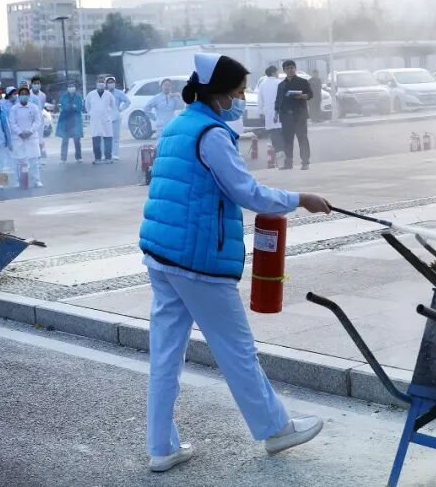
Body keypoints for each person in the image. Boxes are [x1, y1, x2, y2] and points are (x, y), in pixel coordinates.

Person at [139, 53, 332, 472]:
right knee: (237, 349)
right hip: (197, 260)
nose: (242, 100)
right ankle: (276, 429)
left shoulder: (178, 125)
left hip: (162, 254)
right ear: (220, 93)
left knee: (166, 354)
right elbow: (247, 192)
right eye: (239, 92)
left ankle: (161, 447)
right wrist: (300, 199)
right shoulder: (211, 134)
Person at [275, 60, 313, 170]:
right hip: (286, 117)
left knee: (302, 139)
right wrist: (276, 113)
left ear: (295, 68)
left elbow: (310, 95)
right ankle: (288, 163)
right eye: (287, 68)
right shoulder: (281, 85)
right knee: (287, 140)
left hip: (299, 116)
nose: (290, 70)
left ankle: (305, 162)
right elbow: (278, 100)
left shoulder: (303, 82)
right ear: (284, 70)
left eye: (292, 68)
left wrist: (302, 96)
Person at [9, 87, 42, 187]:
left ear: (28, 95)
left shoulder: (34, 107)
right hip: (18, 138)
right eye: (22, 94)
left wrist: (30, 132)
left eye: (26, 94)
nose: (24, 96)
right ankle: (18, 181)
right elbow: (12, 122)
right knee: (19, 161)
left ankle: (36, 180)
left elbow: (37, 121)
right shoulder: (14, 108)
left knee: (34, 161)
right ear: (19, 96)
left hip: (31, 137)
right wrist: (20, 133)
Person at [85, 75, 117, 164]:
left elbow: (113, 106)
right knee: (96, 139)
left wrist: (110, 116)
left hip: (106, 120)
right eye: (99, 82)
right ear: (96, 83)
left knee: (108, 138)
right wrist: (92, 114)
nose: (101, 83)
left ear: (105, 84)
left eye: (102, 82)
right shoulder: (91, 94)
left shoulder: (109, 94)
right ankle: (97, 158)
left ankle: (108, 158)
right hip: (95, 120)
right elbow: (87, 106)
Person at [256, 65, 284, 164]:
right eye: (277, 72)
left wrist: (260, 112)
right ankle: (281, 150)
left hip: (268, 112)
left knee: (273, 131)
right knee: (280, 131)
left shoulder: (262, 84)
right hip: (279, 111)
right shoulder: (279, 82)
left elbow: (260, 100)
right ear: (273, 72)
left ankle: (277, 150)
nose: (278, 73)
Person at [56, 84, 84, 163]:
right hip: (66, 121)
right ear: (67, 88)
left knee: (77, 141)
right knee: (65, 141)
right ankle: (63, 158)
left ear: (75, 88)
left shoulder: (78, 96)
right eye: (70, 87)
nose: (71, 88)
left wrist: (71, 107)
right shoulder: (63, 96)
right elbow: (62, 106)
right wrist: (72, 106)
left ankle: (79, 157)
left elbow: (80, 107)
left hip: (75, 121)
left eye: (73, 86)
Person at [107, 76, 131, 159]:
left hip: (116, 116)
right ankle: (107, 153)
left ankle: (115, 154)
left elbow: (128, 102)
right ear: (106, 84)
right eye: (109, 83)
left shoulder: (119, 93)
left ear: (115, 83)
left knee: (115, 137)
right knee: (106, 136)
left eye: (112, 82)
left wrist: (120, 109)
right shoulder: (105, 93)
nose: (111, 84)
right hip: (106, 117)